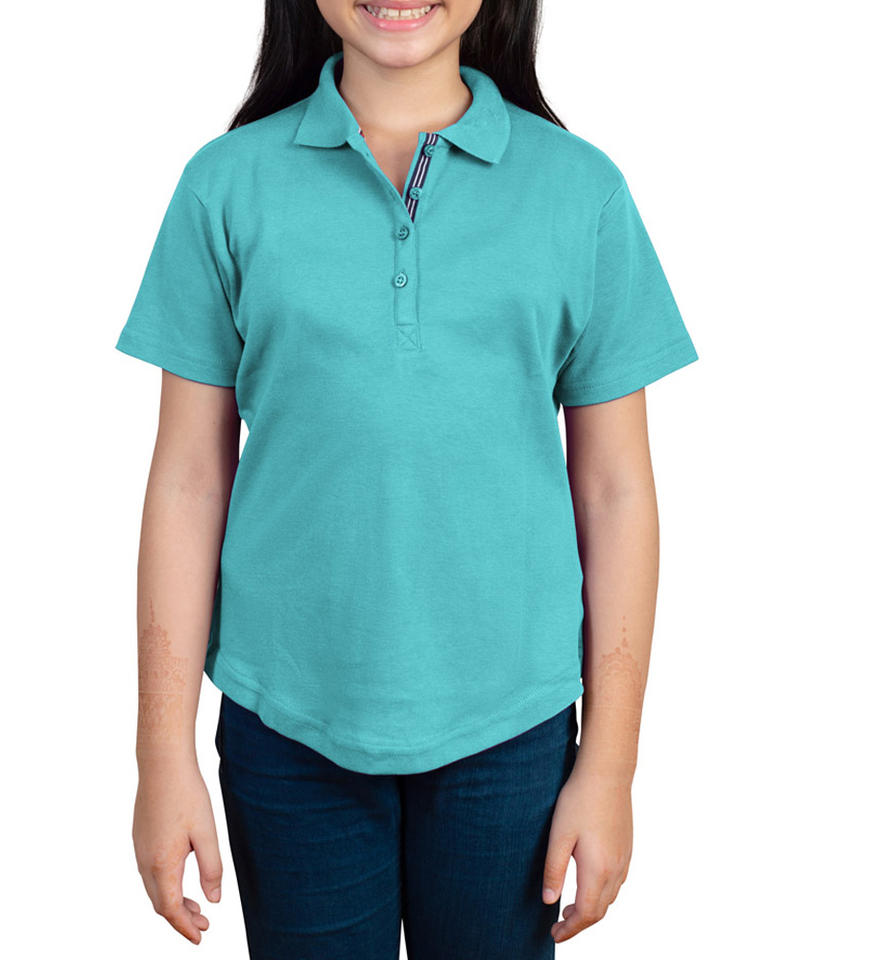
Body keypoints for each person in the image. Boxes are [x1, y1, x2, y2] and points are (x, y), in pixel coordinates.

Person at [118, 1, 699, 958]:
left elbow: (616, 494)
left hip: (512, 732)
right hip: (285, 722)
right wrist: (160, 753)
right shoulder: (224, 186)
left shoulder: (581, 192)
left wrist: (610, 766)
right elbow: (187, 480)